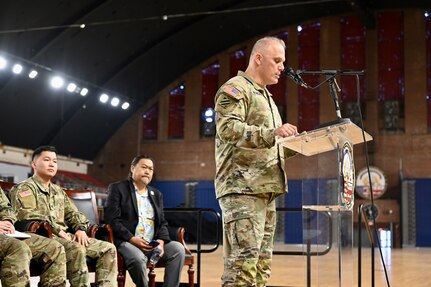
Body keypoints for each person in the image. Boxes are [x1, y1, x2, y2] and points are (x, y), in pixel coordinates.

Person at [214, 36, 298, 287]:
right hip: (242, 191)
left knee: (260, 271)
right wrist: (273, 133)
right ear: (258, 58)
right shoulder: (236, 88)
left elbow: (267, 145)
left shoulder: (267, 97)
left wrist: (297, 146)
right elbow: (228, 129)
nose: (282, 67)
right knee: (242, 270)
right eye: (277, 60)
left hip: (264, 191)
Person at [9, 146, 118, 287]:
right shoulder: (24, 188)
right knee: (76, 248)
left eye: (55, 161)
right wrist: (58, 231)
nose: (52, 164)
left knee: (108, 248)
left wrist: (79, 229)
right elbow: (28, 216)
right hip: (42, 237)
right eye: (47, 160)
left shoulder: (58, 191)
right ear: (34, 164)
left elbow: (74, 213)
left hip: (65, 237)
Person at [104, 155, 185, 287]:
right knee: (138, 258)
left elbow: (162, 222)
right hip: (127, 242)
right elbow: (112, 220)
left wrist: (161, 241)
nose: (147, 171)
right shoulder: (117, 189)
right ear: (132, 168)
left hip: (151, 244)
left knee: (178, 249)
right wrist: (132, 239)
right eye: (144, 167)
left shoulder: (156, 194)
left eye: (151, 169)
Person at [1, 186, 67, 287]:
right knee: (19, 248)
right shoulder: (26, 188)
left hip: (5, 231)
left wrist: (7, 220)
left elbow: (5, 207)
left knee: (55, 248)